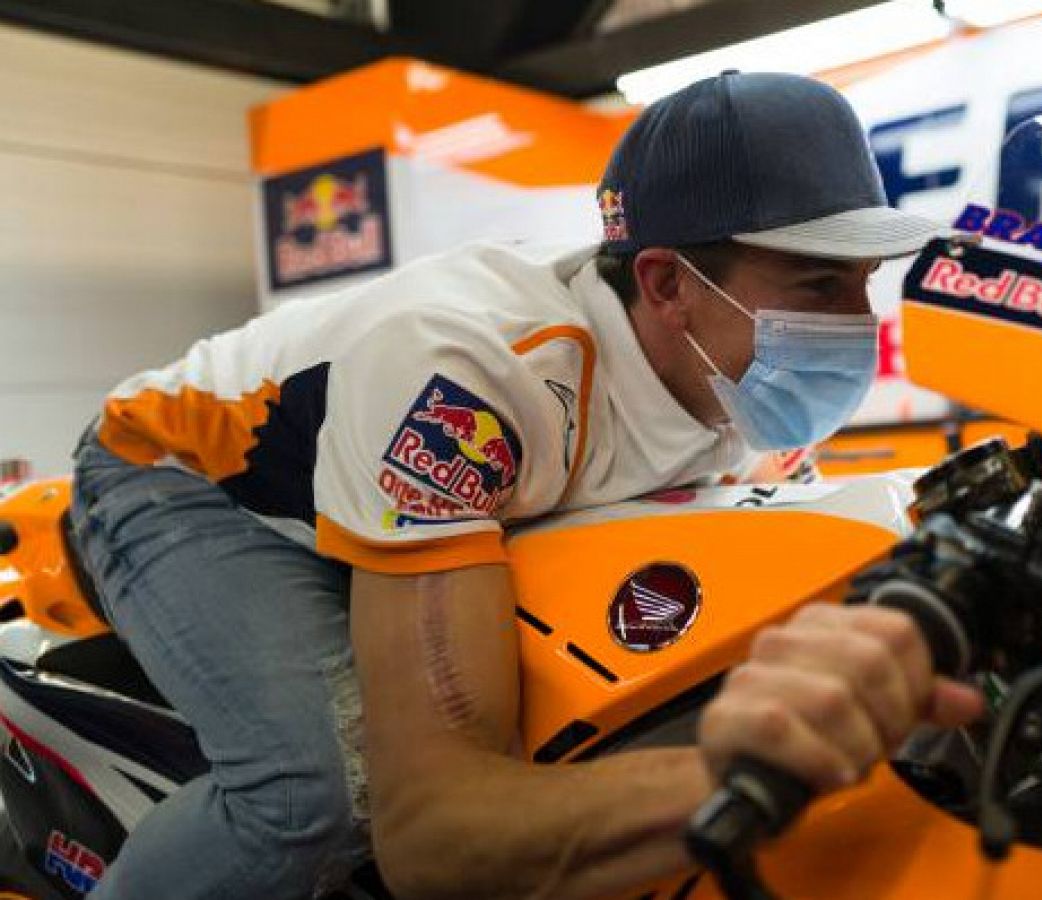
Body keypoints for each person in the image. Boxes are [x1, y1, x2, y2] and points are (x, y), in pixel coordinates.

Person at [68, 71, 983, 899]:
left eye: (865, 283)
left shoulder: (719, 386)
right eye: (820, 285)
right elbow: (430, 832)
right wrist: (750, 776)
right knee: (315, 794)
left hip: (362, 484)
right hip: (175, 475)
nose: (857, 324)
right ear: (667, 282)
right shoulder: (469, 377)